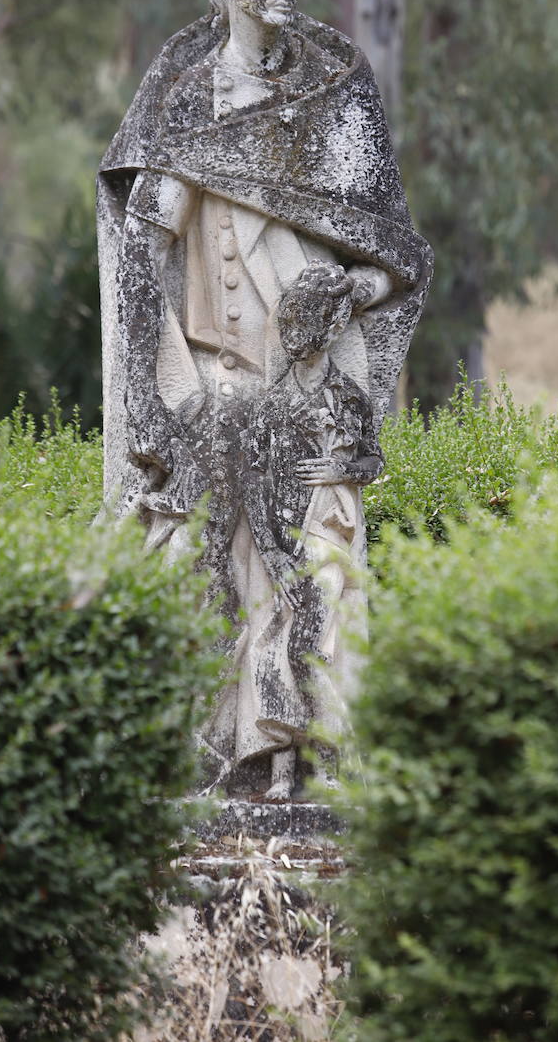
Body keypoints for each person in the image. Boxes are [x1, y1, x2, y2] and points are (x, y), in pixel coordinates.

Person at [96, 0, 431, 795]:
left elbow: (395, 257)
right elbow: (144, 243)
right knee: (193, 571)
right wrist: (147, 400)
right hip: (210, 386)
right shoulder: (183, 88)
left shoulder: (337, 84)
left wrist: (347, 286)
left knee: (316, 578)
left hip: (314, 392)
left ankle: (305, 764)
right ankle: (209, 763)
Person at [241, 259, 383, 800]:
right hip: (278, 547)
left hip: (325, 538)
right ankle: (283, 771)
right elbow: (255, 483)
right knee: (274, 649)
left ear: (332, 323)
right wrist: (273, 554)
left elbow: (374, 461)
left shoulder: (347, 397)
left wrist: (341, 470)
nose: (296, 332)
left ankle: (326, 763)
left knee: (310, 645)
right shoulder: (272, 404)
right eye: (292, 319)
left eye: (308, 319)